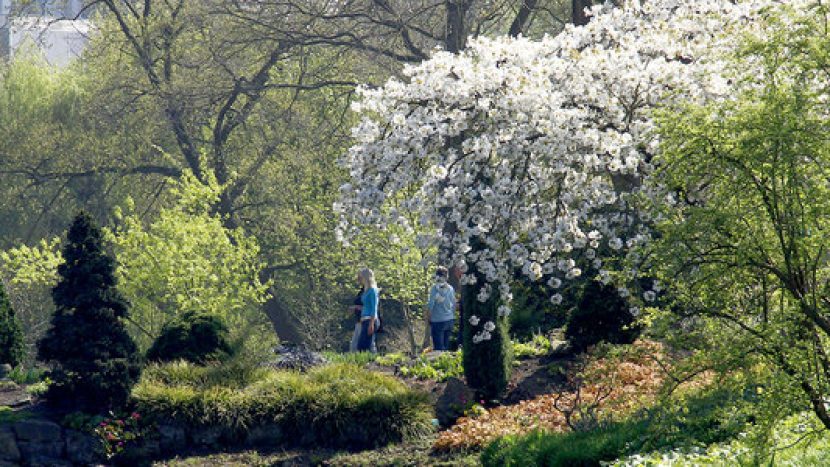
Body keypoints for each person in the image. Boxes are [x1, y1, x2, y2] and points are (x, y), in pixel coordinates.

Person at [427, 266, 456, 351]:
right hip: (449, 320)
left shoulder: (434, 289)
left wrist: (428, 319)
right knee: (446, 348)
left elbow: (430, 305)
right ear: (447, 276)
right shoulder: (451, 288)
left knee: (438, 349)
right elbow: (453, 304)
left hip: (438, 321)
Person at [356, 267, 380, 352]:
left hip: (370, 320)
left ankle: (368, 363)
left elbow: (374, 307)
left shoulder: (373, 290)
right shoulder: (366, 290)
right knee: (362, 346)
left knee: (363, 347)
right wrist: (358, 308)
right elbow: (367, 306)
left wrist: (371, 323)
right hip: (364, 320)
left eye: (361, 277)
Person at [348, 278, 365, 352]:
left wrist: (356, 307)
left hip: (366, 320)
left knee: (367, 345)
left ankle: (374, 361)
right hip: (359, 320)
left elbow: (371, 307)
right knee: (354, 346)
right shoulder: (362, 291)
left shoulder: (370, 291)